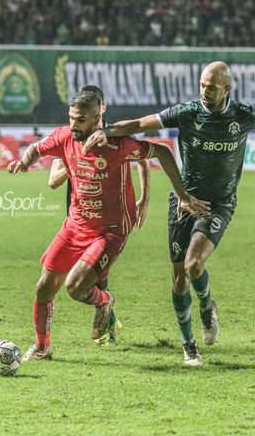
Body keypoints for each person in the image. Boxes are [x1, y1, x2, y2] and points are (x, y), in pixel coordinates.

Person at [83, 61, 255, 366]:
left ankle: (207, 307)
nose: (204, 91)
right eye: (201, 85)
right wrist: (106, 131)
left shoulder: (244, 115)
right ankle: (189, 345)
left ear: (227, 88)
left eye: (211, 87)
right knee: (177, 279)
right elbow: (139, 124)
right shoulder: (187, 112)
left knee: (194, 265)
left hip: (220, 203)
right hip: (184, 201)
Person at [8, 90, 209, 361]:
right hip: (75, 224)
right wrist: (24, 162)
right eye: (71, 118)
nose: (73, 125)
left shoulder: (117, 145)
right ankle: (43, 346)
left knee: (76, 287)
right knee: (43, 286)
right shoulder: (65, 136)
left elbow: (160, 152)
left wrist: (181, 196)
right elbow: (36, 148)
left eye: (79, 120)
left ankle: (104, 302)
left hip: (111, 230)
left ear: (97, 118)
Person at [47, 85, 151, 346]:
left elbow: (144, 158)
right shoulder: (69, 138)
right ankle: (107, 319)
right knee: (88, 276)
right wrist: (76, 162)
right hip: (78, 212)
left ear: (101, 109)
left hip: (109, 216)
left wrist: (144, 197)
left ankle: (108, 324)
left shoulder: (113, 136)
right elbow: (52, 181)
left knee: (95, 275)